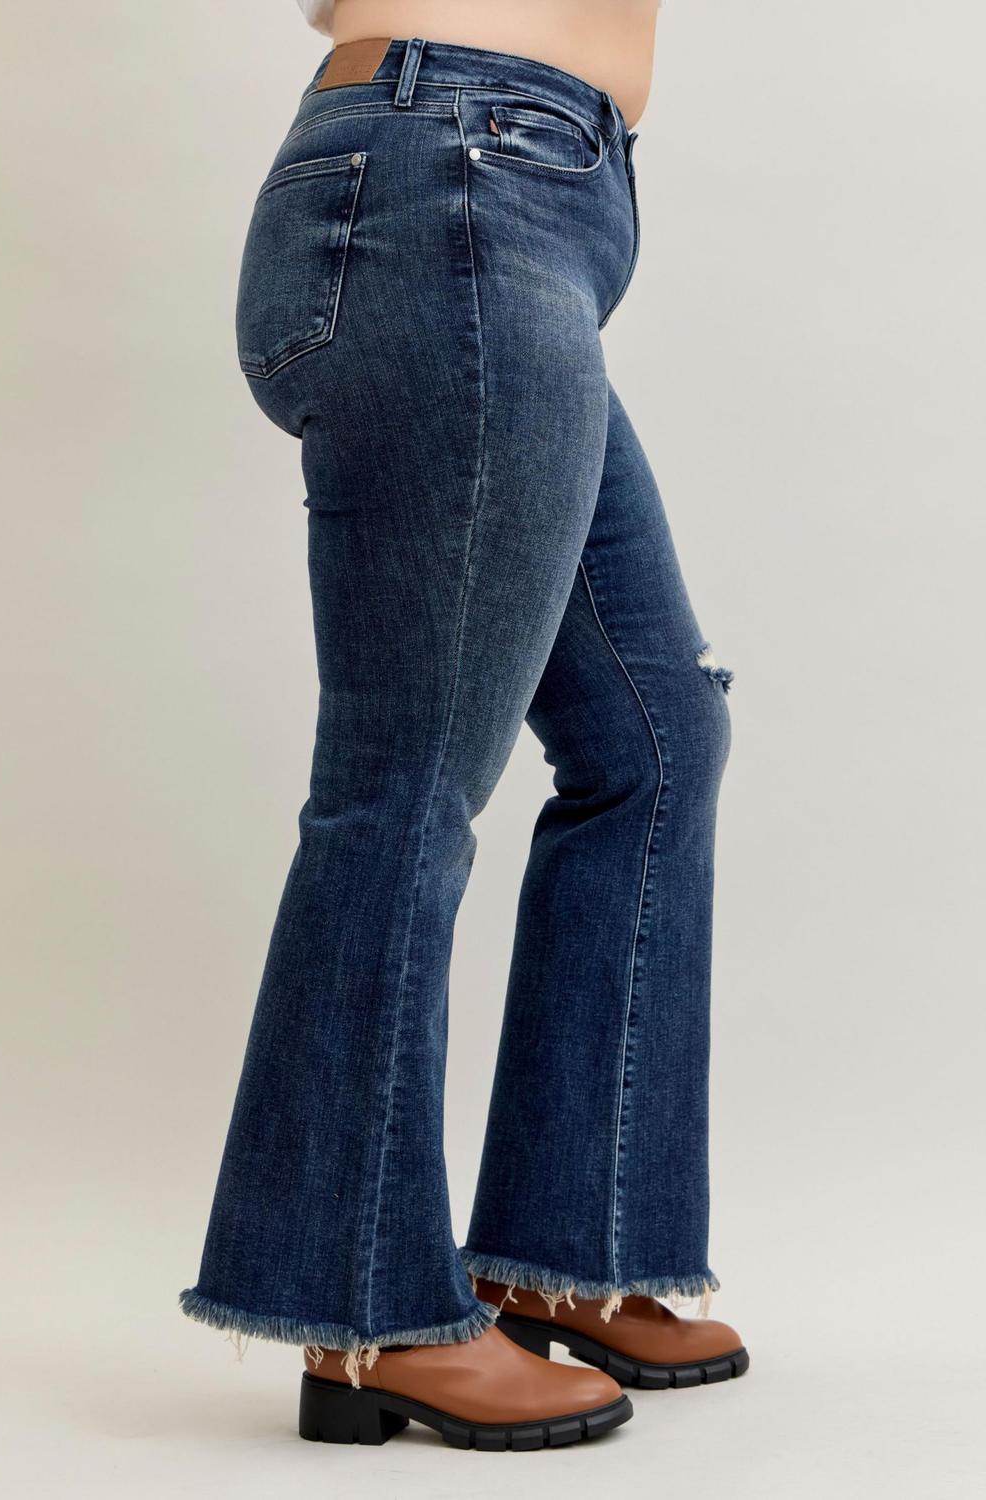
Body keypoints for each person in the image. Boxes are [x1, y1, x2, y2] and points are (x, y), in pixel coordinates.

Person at [180, 0, 747, 1450]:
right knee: (408, 777)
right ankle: (362, 1311)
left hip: (510, 192)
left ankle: (561, 1254)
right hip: (460, 172)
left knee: (653, 740)